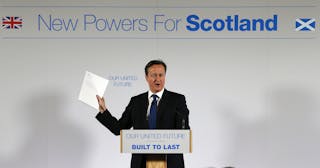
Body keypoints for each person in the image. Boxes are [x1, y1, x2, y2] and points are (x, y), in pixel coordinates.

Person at [96, 59, 190, 168]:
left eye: (161, 75)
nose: (158, 79)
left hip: (170, 161)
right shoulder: (136, 101)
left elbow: (183, 133)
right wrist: (104, 111)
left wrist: (183, 132)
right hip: (141, 162)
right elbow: (119, 128)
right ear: (146, 77)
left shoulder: (177, 100)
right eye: (154, 75)